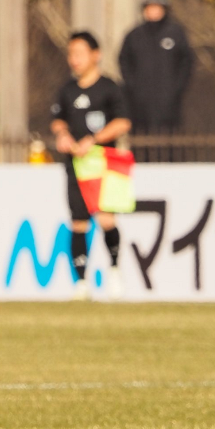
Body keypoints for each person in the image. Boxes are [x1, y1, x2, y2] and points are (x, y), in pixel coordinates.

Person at [50, 31, 132, 300]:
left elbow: (123, 122)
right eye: (71, 53)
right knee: (78, 222)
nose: (74, 59)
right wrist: (63, 135)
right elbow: (58, 120)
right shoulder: (67, 90)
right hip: (76, 165)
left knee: (107, 219)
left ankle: (115, 270)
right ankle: (81, 282)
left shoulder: (110, 88)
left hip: (104, 164)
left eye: (80, 53)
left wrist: (94, 140)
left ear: (95, 55)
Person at [118, 0, 193, 142]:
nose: (153, 11)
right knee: (142, 138)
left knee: (168, 138)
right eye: (150, 7)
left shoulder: (175, 33)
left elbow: (186, 61)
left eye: (157, 7)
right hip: (140, 102)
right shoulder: (134, 35)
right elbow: (124, 60)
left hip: (168, 101)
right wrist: (133, 86)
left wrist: (176, 88)